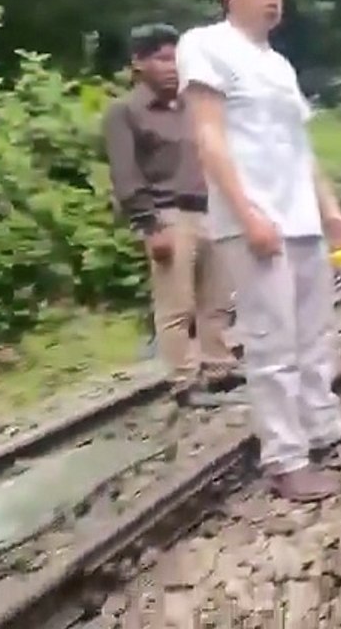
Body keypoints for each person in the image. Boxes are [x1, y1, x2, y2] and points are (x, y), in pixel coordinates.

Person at [177, 0, 341, 503]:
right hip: (253, 221)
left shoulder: (279, 66)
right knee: (272, 343)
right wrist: (248, 214)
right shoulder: (205, 46)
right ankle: (286, 458)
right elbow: (209, 136)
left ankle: (324, 426)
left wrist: (330, 208)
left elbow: (299, 146)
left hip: (301, 220)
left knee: (315, 334)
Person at [103, 24, 236, 404]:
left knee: (217, 299)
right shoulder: (125, 112)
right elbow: (125, 173)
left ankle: (219, 367)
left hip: (209, 209)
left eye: (174, 58)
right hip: (166, 214)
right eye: (161, 58)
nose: (170, 67)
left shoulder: (192, 106)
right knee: (177, 305)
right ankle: (184, 381)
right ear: (138, 63)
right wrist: (148, 224)